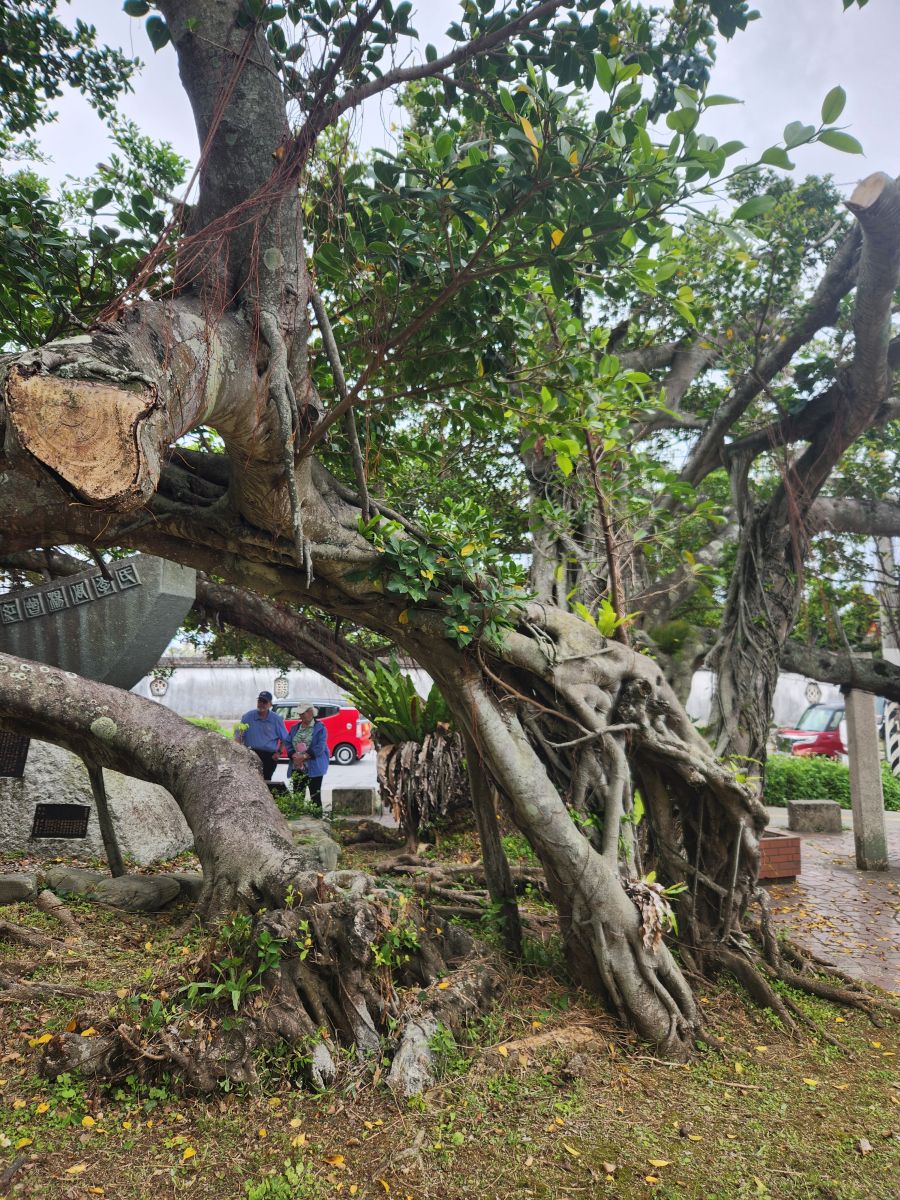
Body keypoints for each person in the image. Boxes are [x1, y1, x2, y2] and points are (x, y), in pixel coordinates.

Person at [234, 690, 289, 784]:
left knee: (265, 782)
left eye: (265, 702)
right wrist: (238, 751)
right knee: (250, 782)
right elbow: (238, 736)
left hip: (269, 757)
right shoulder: (247, 716)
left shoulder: (276, 719)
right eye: (260, 701)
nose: (261, 704)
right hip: (251, 754)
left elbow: (285, 739)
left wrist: (279, 752)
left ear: (270, 704)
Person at [287, 701, 329, 813]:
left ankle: (317, 819)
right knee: (297, 796)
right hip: (297, 766)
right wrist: (293, 754)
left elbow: (320, 747)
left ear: (310, 712)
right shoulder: (295, 727)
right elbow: (288, 742)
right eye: (300, 713)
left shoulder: (320, 728)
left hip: (314, 767)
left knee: (315, 796)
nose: (300, 715)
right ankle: (298, 819)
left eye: (303, 713)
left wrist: (304, 756)